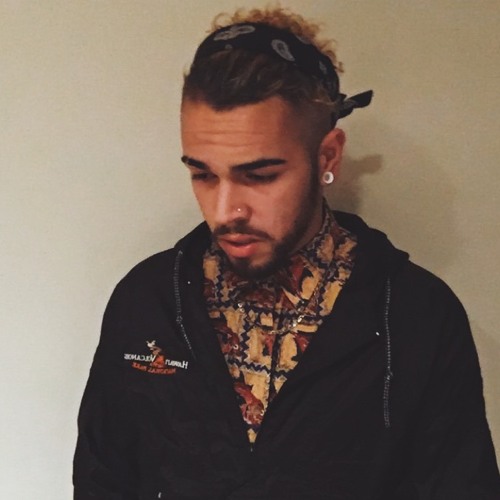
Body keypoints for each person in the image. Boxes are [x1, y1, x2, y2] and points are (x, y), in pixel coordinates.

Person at [73, 6, 500, 499]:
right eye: (202, 174)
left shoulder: (416, 316)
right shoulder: (148, 302)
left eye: (260, 176)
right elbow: (101, 481)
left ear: (327, 155)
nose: (225, 211)